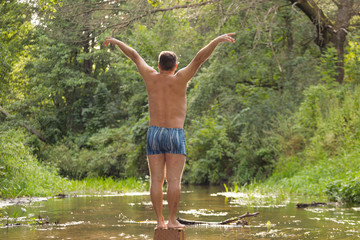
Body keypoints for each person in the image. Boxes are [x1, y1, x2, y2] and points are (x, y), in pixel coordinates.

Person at [104, 33, 236, 230]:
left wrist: (114, 41)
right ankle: (172, 220)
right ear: (175, 66)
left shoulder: (150, 76)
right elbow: (200, 58)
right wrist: (216, 40)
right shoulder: (181, 77)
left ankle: (160, 222)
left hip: (154, 133)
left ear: (158, 65)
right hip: (175, 133)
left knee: (156, 180)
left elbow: (133, 55)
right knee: (174, 180)